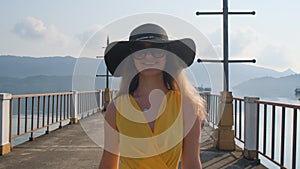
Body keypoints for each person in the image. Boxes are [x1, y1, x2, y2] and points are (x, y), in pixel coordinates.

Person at [99, 23, 206, 169]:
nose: (148, 56)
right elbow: (107, 163)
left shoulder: (187, 106)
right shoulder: (116, 109)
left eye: (157, 50)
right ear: (131, 58)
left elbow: (192, 163)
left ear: (168, 56)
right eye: (140, 50)